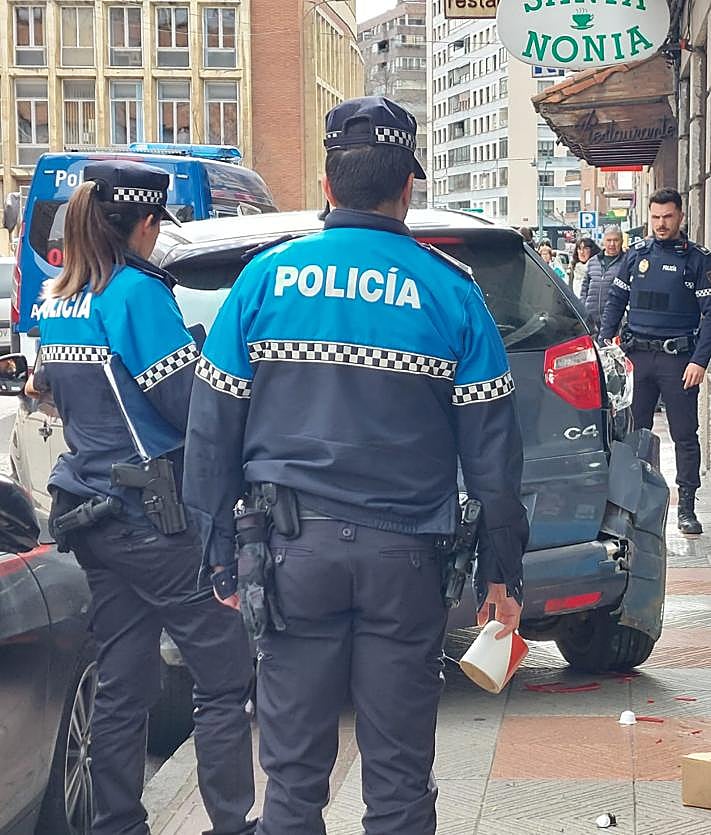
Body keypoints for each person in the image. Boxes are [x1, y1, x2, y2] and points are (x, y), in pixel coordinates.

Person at [183, 95, 529, 835]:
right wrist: (503, 573)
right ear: (408, 185)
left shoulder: (263, 281)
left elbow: (211, 429)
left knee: (293, 778)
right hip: (405, 561)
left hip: (288, 557)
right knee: (400, 780)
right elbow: (493, 456)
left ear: (327, 184)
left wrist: (215, 552)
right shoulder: (451, 291)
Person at [30, 160, 256, 835]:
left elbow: (57, 393)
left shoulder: (62, 297)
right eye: (158, 226)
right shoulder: (135, 295)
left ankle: (117, 823)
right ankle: (232, 824)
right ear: (144, 222)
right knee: (223, 670)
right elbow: (188, 407)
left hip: (92, 511)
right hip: (154, 517)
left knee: (123, 682)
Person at [600, 187, 711, 535]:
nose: (661, 224)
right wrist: (605, 343)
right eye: (655, 217)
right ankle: (632, 506)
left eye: (667, 217)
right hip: (637, 359)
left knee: (684, 435)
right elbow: (616, 301)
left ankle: (687, 508)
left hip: (678, 362)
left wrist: (700, 361)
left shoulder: (697, 259)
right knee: (633, 434)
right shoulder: (636, 255)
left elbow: (710, 314)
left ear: (680, 216)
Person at [580, 225, 626, 333]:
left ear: (622, 241)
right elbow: (584, 288)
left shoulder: (626, 262)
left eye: (616, 240)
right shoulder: (593, 261)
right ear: (603, 241)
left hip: (615, 322)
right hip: (591, 320)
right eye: (609, 240)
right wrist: (584, 308)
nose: (612, 244)